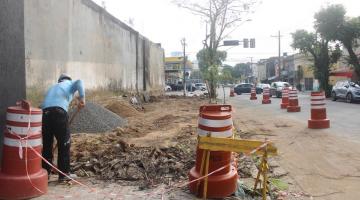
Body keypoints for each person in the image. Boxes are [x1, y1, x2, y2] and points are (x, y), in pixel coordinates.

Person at [41, 74, 85, 182]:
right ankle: (64, 174)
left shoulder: (53, 87)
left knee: (47, 145)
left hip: (45, 113)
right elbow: (79, 81)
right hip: (59, 112)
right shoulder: (69, 83)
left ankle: (45, 174)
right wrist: (82, 98)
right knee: (64, 143)